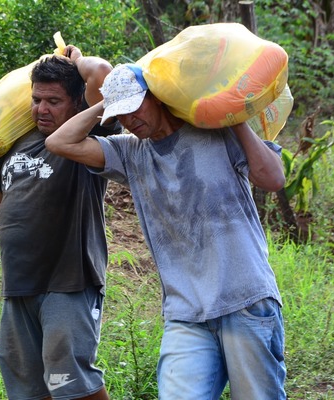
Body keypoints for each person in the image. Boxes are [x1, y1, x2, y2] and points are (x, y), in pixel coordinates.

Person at [45, 63, 287, 399]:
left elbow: (273, 179)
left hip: (244, 300)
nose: (129, 120)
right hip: (185, 313)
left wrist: (233, 117)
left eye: (135, 107)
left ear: (158, 98)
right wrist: (108, 100)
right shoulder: (129, 152)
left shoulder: (214, 131)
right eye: (122, 114)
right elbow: (59, 142)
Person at [0, 47, 121, 400]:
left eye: (54, 101)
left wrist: (75, 60)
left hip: (68, 280)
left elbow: (102, 73)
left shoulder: (86, 141)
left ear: (77, 103)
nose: (42, 109)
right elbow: (0, 192)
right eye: (36, 99)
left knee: (70, 378)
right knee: (27, 385)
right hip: (19, 284)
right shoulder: (21, 144)